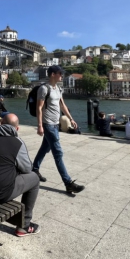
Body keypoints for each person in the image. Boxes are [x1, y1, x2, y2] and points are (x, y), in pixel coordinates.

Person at [32, 65, 84, 194]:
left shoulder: (58, 89)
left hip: (56, 124)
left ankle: (34, 169)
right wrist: (39, 125)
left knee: (45, 148)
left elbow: (62, 105)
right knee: (58, 153)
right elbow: (39, 108)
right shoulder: (44, 89)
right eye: (60, 73)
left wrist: (71, 118)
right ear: (52, 74)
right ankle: (68, 183)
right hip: (48, 124)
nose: (62, 75)